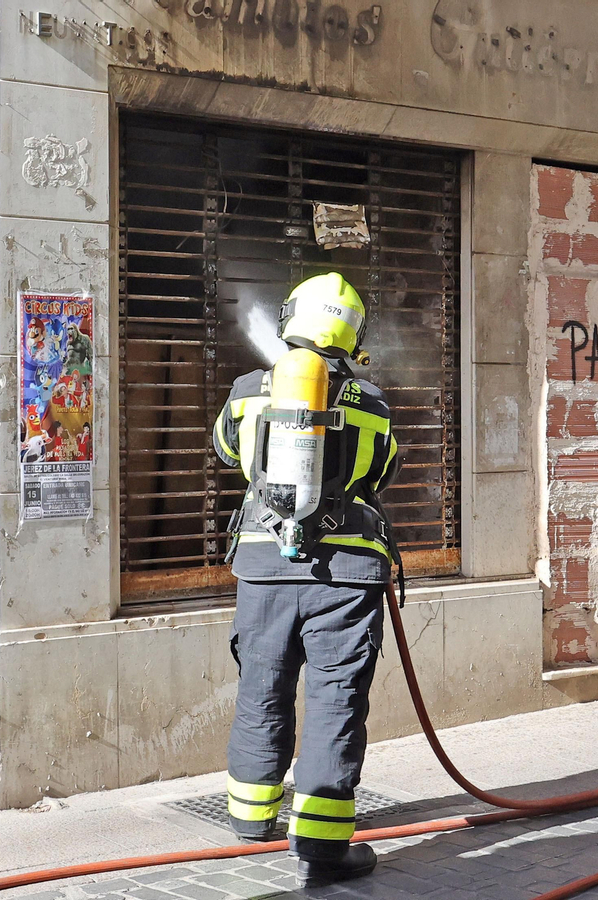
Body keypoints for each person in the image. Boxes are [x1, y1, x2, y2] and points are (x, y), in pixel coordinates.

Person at [213, 272, 399, 887]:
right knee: (334, 697)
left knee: (262, 685)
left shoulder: (249, 390)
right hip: (344, 576)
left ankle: (250, 815)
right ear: (353, 333)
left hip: (264, 567)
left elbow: (225, 450)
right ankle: (321, 842)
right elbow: (382, 471)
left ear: (291, 318)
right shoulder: (371, 402)